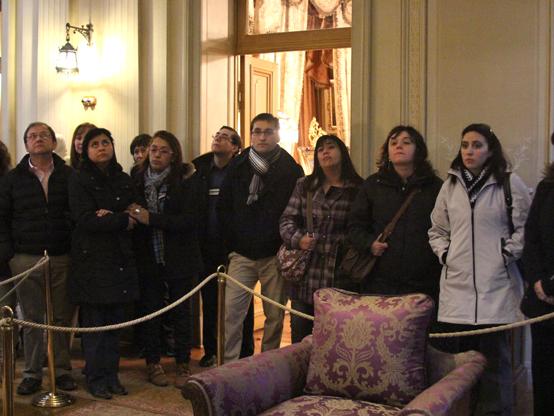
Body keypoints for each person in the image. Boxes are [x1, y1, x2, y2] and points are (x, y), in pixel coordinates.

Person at [428, 123, 531, 416]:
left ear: (490, 149)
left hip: (496, 287)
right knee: (460, 364)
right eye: (465, 145)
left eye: (477, 145)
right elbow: (436, 229)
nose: (469, 151)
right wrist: (446, 255)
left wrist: (506, 255)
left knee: (496, 361)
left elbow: (524, 228)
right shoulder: (449, 186)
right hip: (457, 289)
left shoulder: (509, 183)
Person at [217, 112, 303, 362]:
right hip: (242, 253)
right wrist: (232, 242)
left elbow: (295, 210)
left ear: (277, 135)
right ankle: (229, 367)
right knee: (232, 313)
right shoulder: (238, 164)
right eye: (257, 131)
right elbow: (224, 206)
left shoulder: (290, 168)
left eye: (268, 131)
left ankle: (267, 365)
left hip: (273, 254)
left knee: (275, 316)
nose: (262, 136)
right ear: (251, 134)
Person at [0, 122, 76, 395]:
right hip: (24, 258)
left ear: (53, 143)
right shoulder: (12, 178)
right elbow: (3, 219)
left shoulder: (69, 175)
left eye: (44, 135)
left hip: (60, 256)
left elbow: (76, 214)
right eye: (32, 136)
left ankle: (62, 369)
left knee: (59, 318)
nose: (38, 139)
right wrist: (9, 255)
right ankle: (32, 373)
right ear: (26, 145)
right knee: (31, 319)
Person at [68, 128, 139, 399]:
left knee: (114, 326)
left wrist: (112, 214)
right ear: (85, 151)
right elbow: (85, 218)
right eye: (95, 144)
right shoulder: (79, 179)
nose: (101, 148)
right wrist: (120, 218)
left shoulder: (123, 178)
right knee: (96, 326)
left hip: (120, 258)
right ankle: (96, 377)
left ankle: (112, 375)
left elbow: (136, 208)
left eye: (105, 143)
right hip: (91, 261)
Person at [131, 130, 200, 388]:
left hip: (179, 255)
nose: (157, 155)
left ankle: (183, 363)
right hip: (148, 256)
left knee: (181, 312)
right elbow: (131, 209)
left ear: (173, 155)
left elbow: (189, 220)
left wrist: (152, 218)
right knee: (151, 311)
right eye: (153, 149)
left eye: (163, 151)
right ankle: (153, 363)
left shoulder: (185, 180)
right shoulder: (136, 178)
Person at [280, 134, 363, 342]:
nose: (325, 152)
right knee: (301, 337)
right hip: (307, 273)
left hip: (341, 274)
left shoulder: (357, 189)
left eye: (330, 147)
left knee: (337, 339)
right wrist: (299, 239)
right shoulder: (305, 186)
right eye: (320, 149)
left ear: (342, 152)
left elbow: (362, 228)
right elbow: (286, 221)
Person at [348, 125, 442, 302]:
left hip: (423, 282)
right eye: (393, 143)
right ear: (387, 152)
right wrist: (370, 243)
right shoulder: (372, 185)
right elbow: (355, 226)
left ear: (418, 150)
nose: (399, 146)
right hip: (379, 280)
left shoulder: (434, 186)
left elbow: (444, 230)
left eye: (406, 142)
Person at [193, 126, 255, 367]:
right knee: (209, 301)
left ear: (236, 147)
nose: (218, 138)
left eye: (225, 137)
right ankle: (211, 350)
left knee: (240, 302)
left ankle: (244, 351)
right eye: (216, 135)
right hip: (206, 245)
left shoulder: (243, 172)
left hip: (234, 247)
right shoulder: (200, 171)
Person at [521, 131, 554, 416]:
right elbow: (531, 238)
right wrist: (538, 281)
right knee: (544, 376)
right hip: (543, 299)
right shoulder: (547, 187)